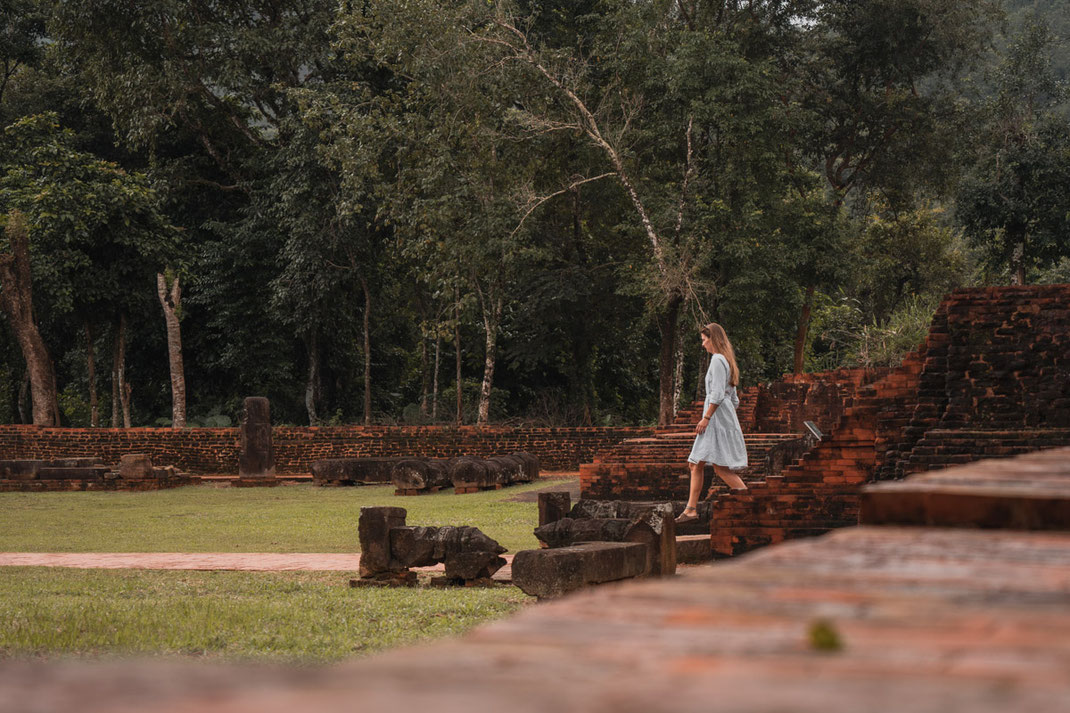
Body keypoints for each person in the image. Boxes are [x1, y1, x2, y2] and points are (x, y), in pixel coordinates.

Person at [675, 322, 748, 524]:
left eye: (704, 339)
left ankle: (750, 500)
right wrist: (725, 420)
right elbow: (734, 401)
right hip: (722, 417)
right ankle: (690, 509)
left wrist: (707, 418)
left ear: (712, 339)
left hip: (715, 418)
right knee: (695, 463)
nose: (703, 344)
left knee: (720, 468)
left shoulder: (717, 360)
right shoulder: (727, 361)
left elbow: (716, 395)